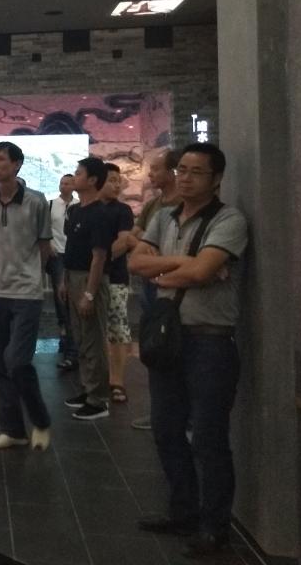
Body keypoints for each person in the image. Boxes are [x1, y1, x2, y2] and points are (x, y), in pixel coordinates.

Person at [129, 143, 248, 558]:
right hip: (169, 337)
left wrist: (169, 268)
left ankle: (215, 526)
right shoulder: (164, 216)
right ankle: (183, 511)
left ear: (216, 179)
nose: (185, 178)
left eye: (196, 172)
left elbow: (201, 271)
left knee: (209, 436)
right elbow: (136, 264)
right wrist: (187, 267)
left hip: (210, 340)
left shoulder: (229, 220)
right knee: (166, 429)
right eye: (181, 169)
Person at [0, 142, 53, 450]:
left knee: (17, 361)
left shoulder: (36, 201)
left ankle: (40, 419)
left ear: (18, 164)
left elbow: (44, 246)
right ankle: (13, 430)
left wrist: (34, 277)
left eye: (1, 159)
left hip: (25, 293)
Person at [125, 149, 181, 430]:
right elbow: (133, 241)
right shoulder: (154, 207)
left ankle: (181, 414)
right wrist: (151, 252)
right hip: (151, 284)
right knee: (155, 347)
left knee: (177, 348)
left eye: (156, 169)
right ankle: (161, 411)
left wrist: (153, 254)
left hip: (178, 289)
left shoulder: (183, 206)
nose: (151, 174)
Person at [61, 157, 113, 421]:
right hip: (72, 276)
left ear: (92, 180)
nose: (74, 176)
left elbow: (99, 257)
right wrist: (64, 280)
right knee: (80, 337)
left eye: (79, 173)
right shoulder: (76, 211)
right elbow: (71, 249)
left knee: (93, 338)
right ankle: (87, 388)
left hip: (89, 279)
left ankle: (99, 399)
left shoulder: (100, 213)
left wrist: (90, 293)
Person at [101, 163, 135, 403]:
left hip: (115, 278)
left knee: (117, 329)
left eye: (117, 180)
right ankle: (97, 378)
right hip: (87, 279)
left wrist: (97, 260)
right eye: (110, 180)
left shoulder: (122, 210)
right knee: (94, 330)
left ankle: (117, 381)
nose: (116, 185)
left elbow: (124, 242)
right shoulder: (83, 209)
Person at [48, 174, 78, 371]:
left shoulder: (78, 205)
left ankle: (72, 337)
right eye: (61, 183)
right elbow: (46, 227)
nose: (64, 186)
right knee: (61, 295)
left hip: (74, 254)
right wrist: (49, 244)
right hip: (57, 253)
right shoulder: (51, 204)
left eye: (68, 183)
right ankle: (64, 330)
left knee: (71, 296)